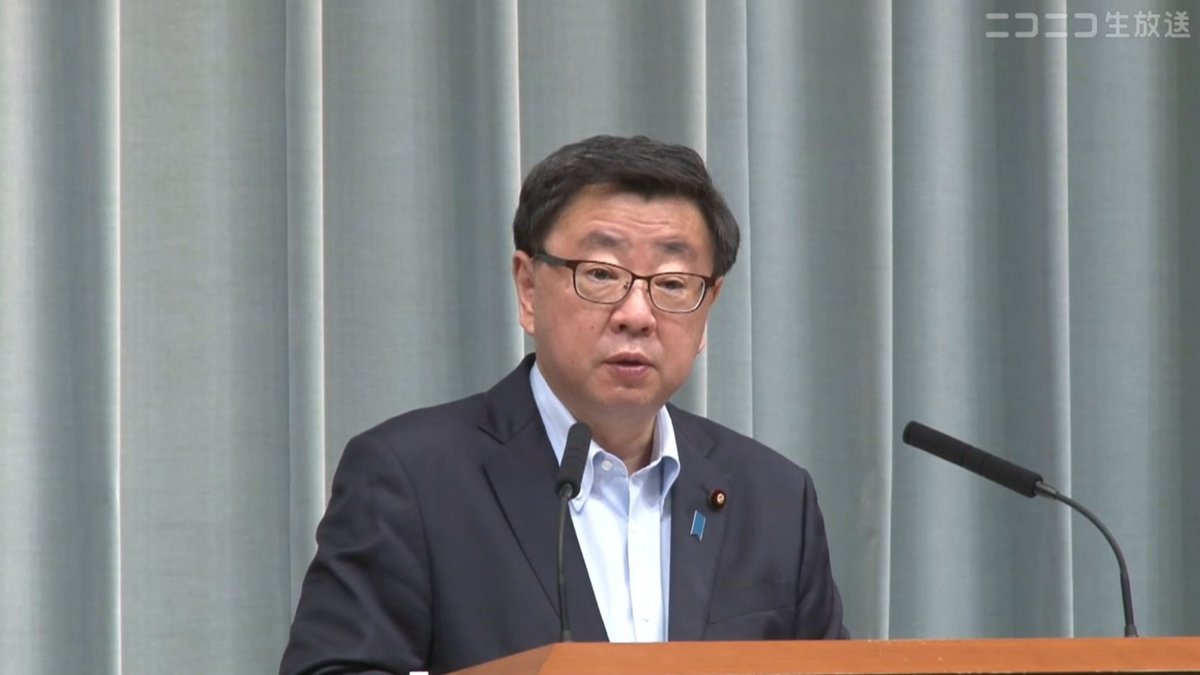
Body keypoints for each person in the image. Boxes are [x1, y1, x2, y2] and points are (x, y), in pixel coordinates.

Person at [280, 135, 847, 675]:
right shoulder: (411, 479)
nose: (637, 314)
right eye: (600, 274)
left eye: (673, 283)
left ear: (709, 305)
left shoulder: (774, 498)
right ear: (528, 289)